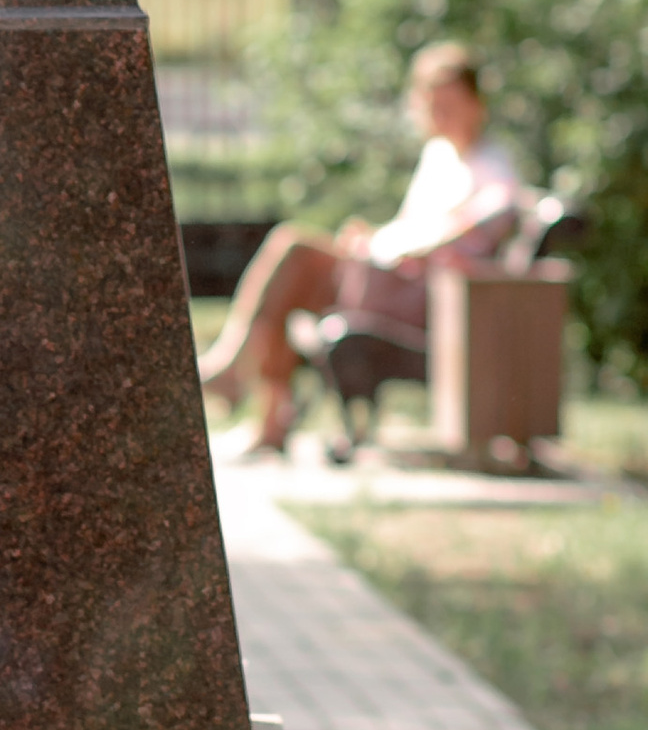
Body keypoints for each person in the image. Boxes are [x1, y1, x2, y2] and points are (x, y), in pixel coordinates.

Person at [197, 44, 524, 453]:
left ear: (476, 104)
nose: (440, 114)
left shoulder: (490, 164)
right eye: (432, 105)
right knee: (293, 260)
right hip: (387, 278)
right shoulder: (438, 155)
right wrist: (377, 237)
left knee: (297, 250)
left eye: (450, 104)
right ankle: (261, 412)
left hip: (421, 298)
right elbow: (413, 229)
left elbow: (489, 215)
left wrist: (402, 244)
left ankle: (238, 376)